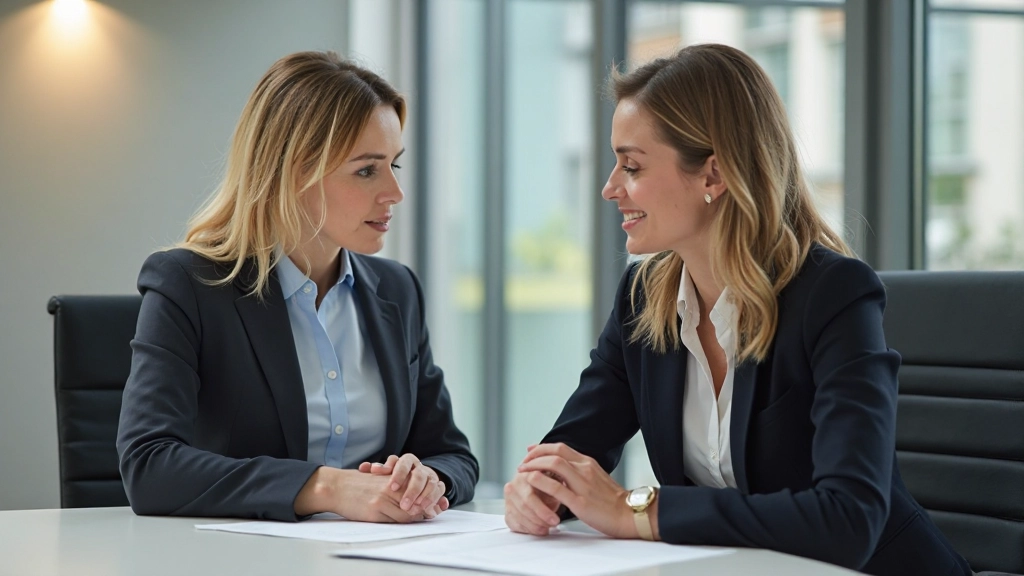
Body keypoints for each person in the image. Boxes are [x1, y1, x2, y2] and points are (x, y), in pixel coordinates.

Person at [503, 44, 971, 576]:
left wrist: (641, 510)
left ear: (713, 176)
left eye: (631, 166)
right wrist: (538, 490)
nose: (610, 188)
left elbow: (849, 518)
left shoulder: (832, 295)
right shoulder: (644, 301)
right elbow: (568, 459)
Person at [117, 51, 477, 523]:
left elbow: (453, 455)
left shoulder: (397, 291)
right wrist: (327, 486)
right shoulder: (188, 285)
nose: (394, 192)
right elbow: (149, 466)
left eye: (395, 165)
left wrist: (429, 478)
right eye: (367, 170)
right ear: (293, 172)